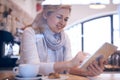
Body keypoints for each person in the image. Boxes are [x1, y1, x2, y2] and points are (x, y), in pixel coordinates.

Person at [19, 5, 105, 76]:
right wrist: (69, 63)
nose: (63, 23)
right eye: (59, 17)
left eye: (66, 19)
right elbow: (34, 67)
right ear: (45, 15)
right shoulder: (30, 33)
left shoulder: (64, 37)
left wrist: (88, 72)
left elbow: (69, 69)